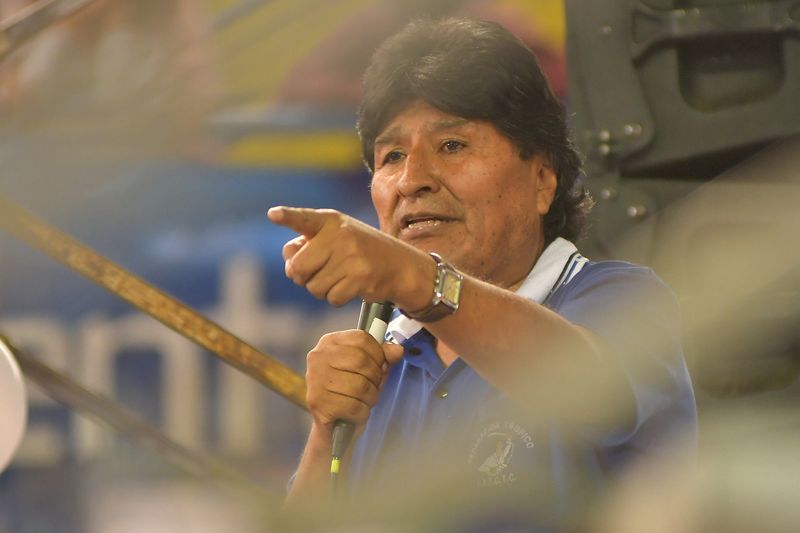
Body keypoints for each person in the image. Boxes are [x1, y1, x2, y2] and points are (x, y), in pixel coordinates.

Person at [268, 17, 696, 529]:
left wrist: (416, 279)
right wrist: (325, 433)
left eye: (452, 146)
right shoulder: (380, 364)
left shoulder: (623, 299)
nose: (412, 180)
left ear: (542, 179)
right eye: (392, 155)